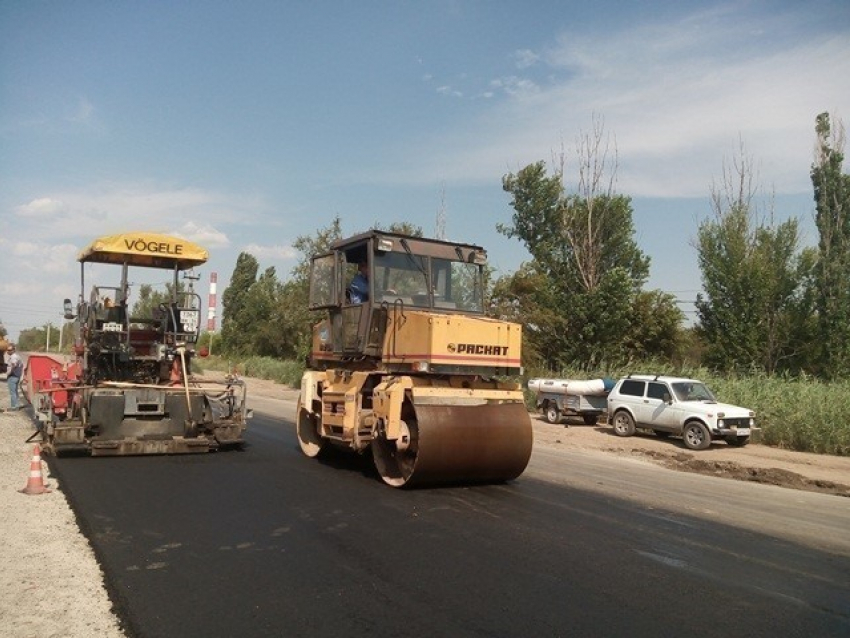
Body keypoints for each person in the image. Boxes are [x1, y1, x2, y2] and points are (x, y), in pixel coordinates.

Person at [6, 344, 23, 411]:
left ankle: (14, 407)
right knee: (15, 391)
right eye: (7, 350)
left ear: (13, 350)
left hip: (13, 376)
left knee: (12, 392)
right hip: (16, 376)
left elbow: (14, 365)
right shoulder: (17, 356)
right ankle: (17, 406)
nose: (8, 351)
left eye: (10, 350)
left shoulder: (13, 357)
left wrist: (10, 373)